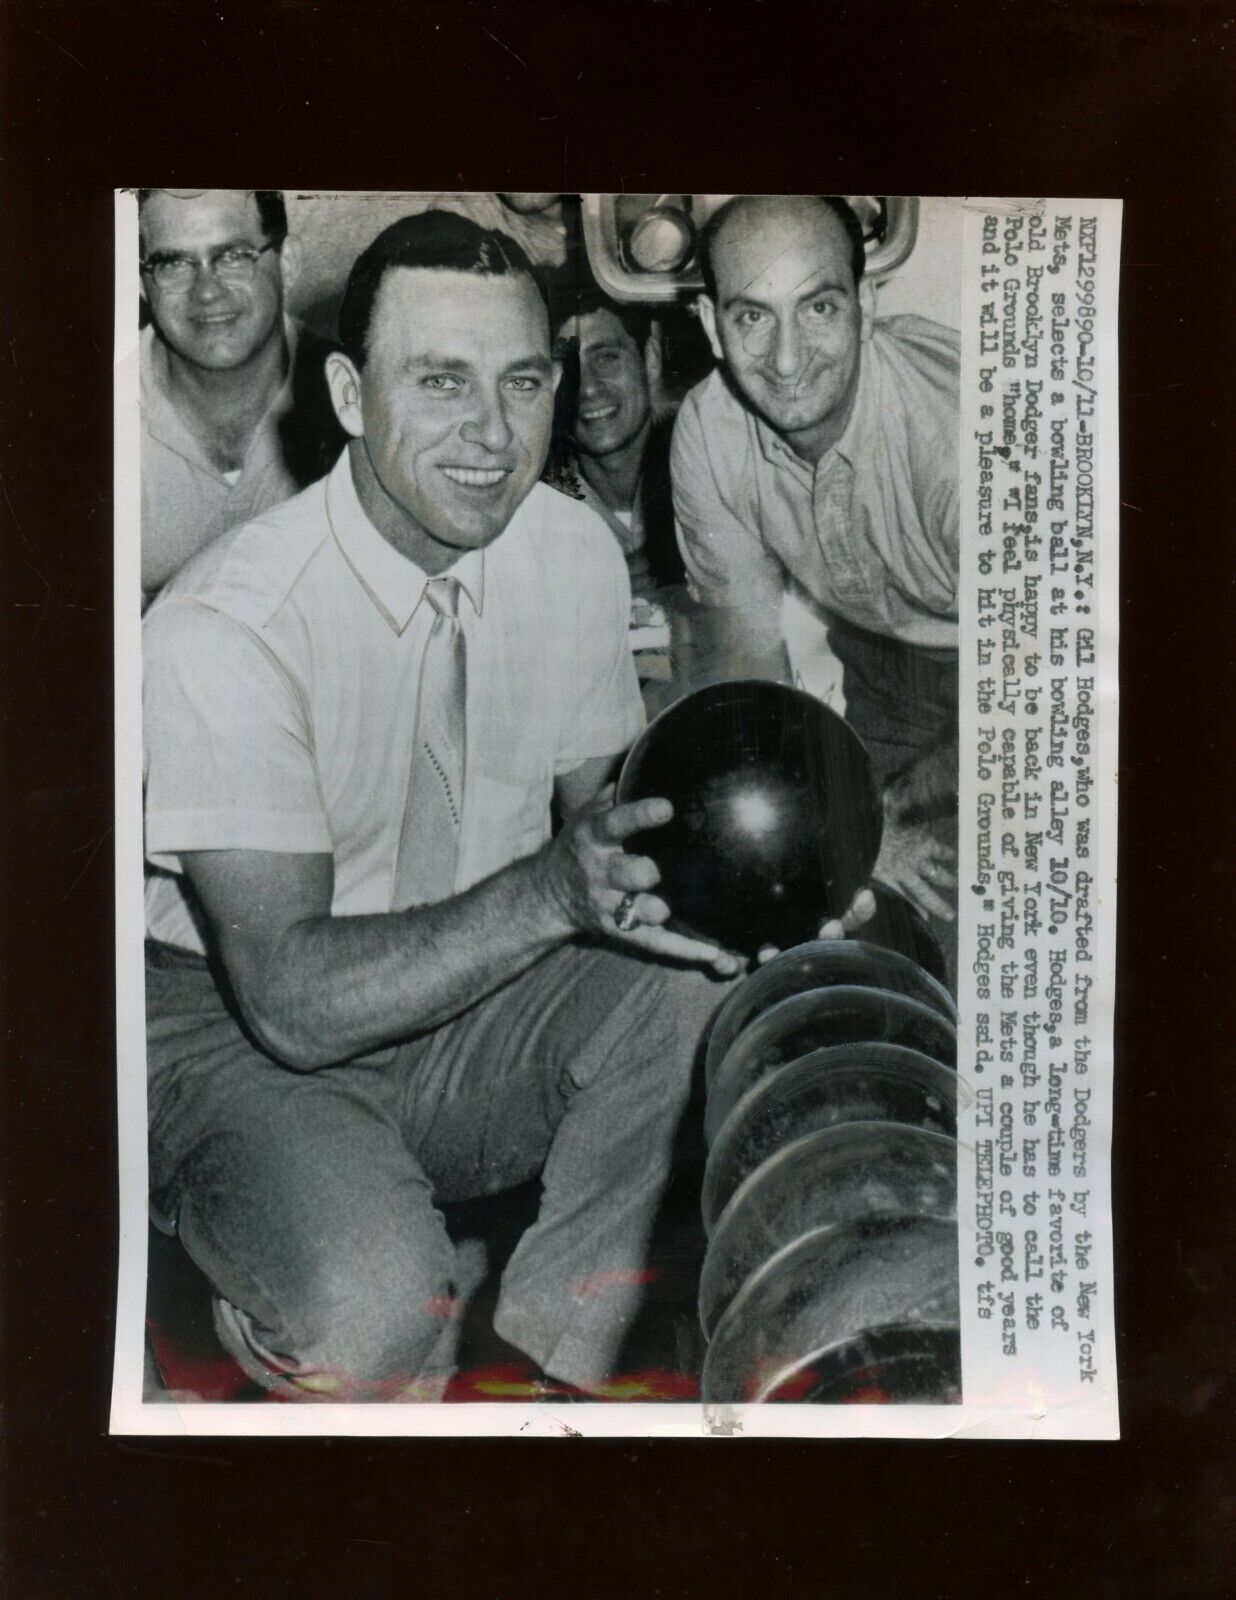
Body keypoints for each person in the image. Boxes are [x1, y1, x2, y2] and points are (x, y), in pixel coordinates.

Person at [141, 211, 746, 1403]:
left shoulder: (566, 551)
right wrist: (550, 892)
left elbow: (621, 850)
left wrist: (787, 874)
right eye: (441, 382)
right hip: (239, 1028)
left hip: (466, 984)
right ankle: (253, 1281)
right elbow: (296, 1005)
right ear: (350, 395)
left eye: (524, 381)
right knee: (371, 1311)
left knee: (698, 965)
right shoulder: (222, 626)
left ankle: (542, 1368)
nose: (494, 433)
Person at [671, 194, 960, 928]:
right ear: (710, 324)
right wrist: (827, 824)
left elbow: (1047, 692)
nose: (788, 360)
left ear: (866, 301)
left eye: (819, 308)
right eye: (753, 317)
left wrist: (870, 817)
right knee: (842, 919)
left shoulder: (961, 435)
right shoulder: (708, 432)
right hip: (878, 663)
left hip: (1023, 672)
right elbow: (750, 675)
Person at [138, 188, 346, 599]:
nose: (207, 291)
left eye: (233, 257)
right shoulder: (83, 430)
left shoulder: (361, 401)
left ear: (287, 264)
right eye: (174, 263)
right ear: (143, 284)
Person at [548, 283, 684, 600]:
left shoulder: (711, 456)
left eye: (607, 358)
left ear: (649, 361)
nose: (588, 388)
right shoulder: (534, 502)